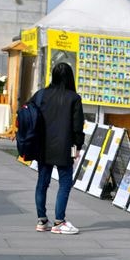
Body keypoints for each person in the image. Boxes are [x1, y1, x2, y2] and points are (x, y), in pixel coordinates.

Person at [33, 63, 85, 234]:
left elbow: (28, 115)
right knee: (64, 183)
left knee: (42, 182)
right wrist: (77, 148)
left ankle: (42, 221)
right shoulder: (73, 98)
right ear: (70, 77)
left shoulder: (41, 95)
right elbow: (77, 127)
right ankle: (59, 221)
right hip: (65, 147)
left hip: (42, 146)